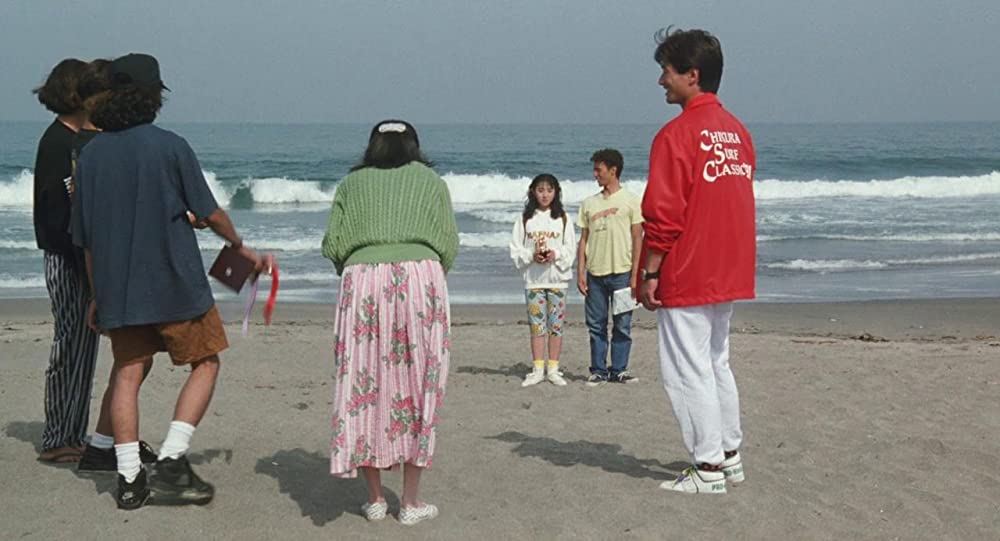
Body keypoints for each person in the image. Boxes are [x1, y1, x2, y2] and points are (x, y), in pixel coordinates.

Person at [71, 53, 265, 509]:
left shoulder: (91, 154)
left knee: (128, 372)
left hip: (117, 286)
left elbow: (88, 241)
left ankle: (129, 479)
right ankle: (173, 459)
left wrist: (97, 294)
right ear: (153, 96)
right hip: (174, 280)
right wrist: (238, 246)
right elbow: (211, 211)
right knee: (206, 361)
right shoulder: (170, 145)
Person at [638, 27, 756, 494]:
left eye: (666, 71)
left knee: (686, 369)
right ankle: (728, 455)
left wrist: (650, 271)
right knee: (715, 362)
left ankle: (707, 467)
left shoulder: (676, 134)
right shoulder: (738, 132)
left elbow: (664, 212)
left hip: (690, 266)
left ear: (692, 75)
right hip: (729, 265)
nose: (661, 81)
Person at [322, 119, 459, 526]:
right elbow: (448, 241)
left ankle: (376, 499)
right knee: (421, 383)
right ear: (414, 146)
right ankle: (411, 503)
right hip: (421, 278)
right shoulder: (431, 180)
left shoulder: (352, 184)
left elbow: (333, 243)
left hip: (362, 280)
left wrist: (360, 265)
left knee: (362, 383)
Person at [70, 58, 159, 472]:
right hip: (129, 275)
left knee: (133, 360)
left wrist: (96, 292)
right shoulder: (146, 146)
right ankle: (118, 458)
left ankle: (104, 444)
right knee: (133, 362)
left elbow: (87, 232)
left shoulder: (93, 151)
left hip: (108, 275)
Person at [31, 58, 102, 464]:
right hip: (65, 256)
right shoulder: (60, 143)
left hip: (69, 254)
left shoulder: (71, 141)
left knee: (81, 346)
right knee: (70, 345)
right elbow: (62, 211)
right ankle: (59, 435)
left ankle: (71, 431)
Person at [576, 149, 644, 386]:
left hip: (623, 272)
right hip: (595, 273)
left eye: (599, 170)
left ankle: (619, 369)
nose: (595, 174)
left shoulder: (631, 200)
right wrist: (580, 272)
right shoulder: (589, 203)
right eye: (595, 169)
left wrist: (636, 274)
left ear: (613, 171)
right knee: (596, 325)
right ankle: (598, 370)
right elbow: (583, 239)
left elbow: (638, 238)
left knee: (622, 325)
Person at [509, 173, 576, 387]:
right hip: (534, 281)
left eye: (549, 190)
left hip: (557, 280)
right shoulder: (525, 219)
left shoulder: (563, 218)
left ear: (556, 192)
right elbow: (515, 250)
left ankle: (553, 368)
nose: (545, 194)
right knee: (537, 326)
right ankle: (538, 368)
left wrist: (554, 254)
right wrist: (532, 255)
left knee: (555, 326)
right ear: (533, 192)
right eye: (540, 190)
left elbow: (570, 249)